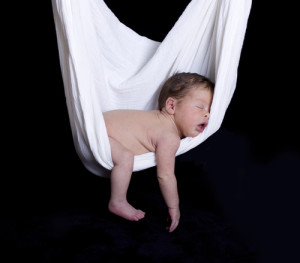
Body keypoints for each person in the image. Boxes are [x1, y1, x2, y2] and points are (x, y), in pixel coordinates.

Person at [103, 72, 214, 232]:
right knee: (126, 157)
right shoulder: (169, 137)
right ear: (171, 106)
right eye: (199, 107)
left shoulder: (155, 119)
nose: (207, 114)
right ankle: (117, 201)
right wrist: (174, 207)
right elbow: (165, 175)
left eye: (210, 110)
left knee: (125, 155)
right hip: (101, 135)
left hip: (98, 125)